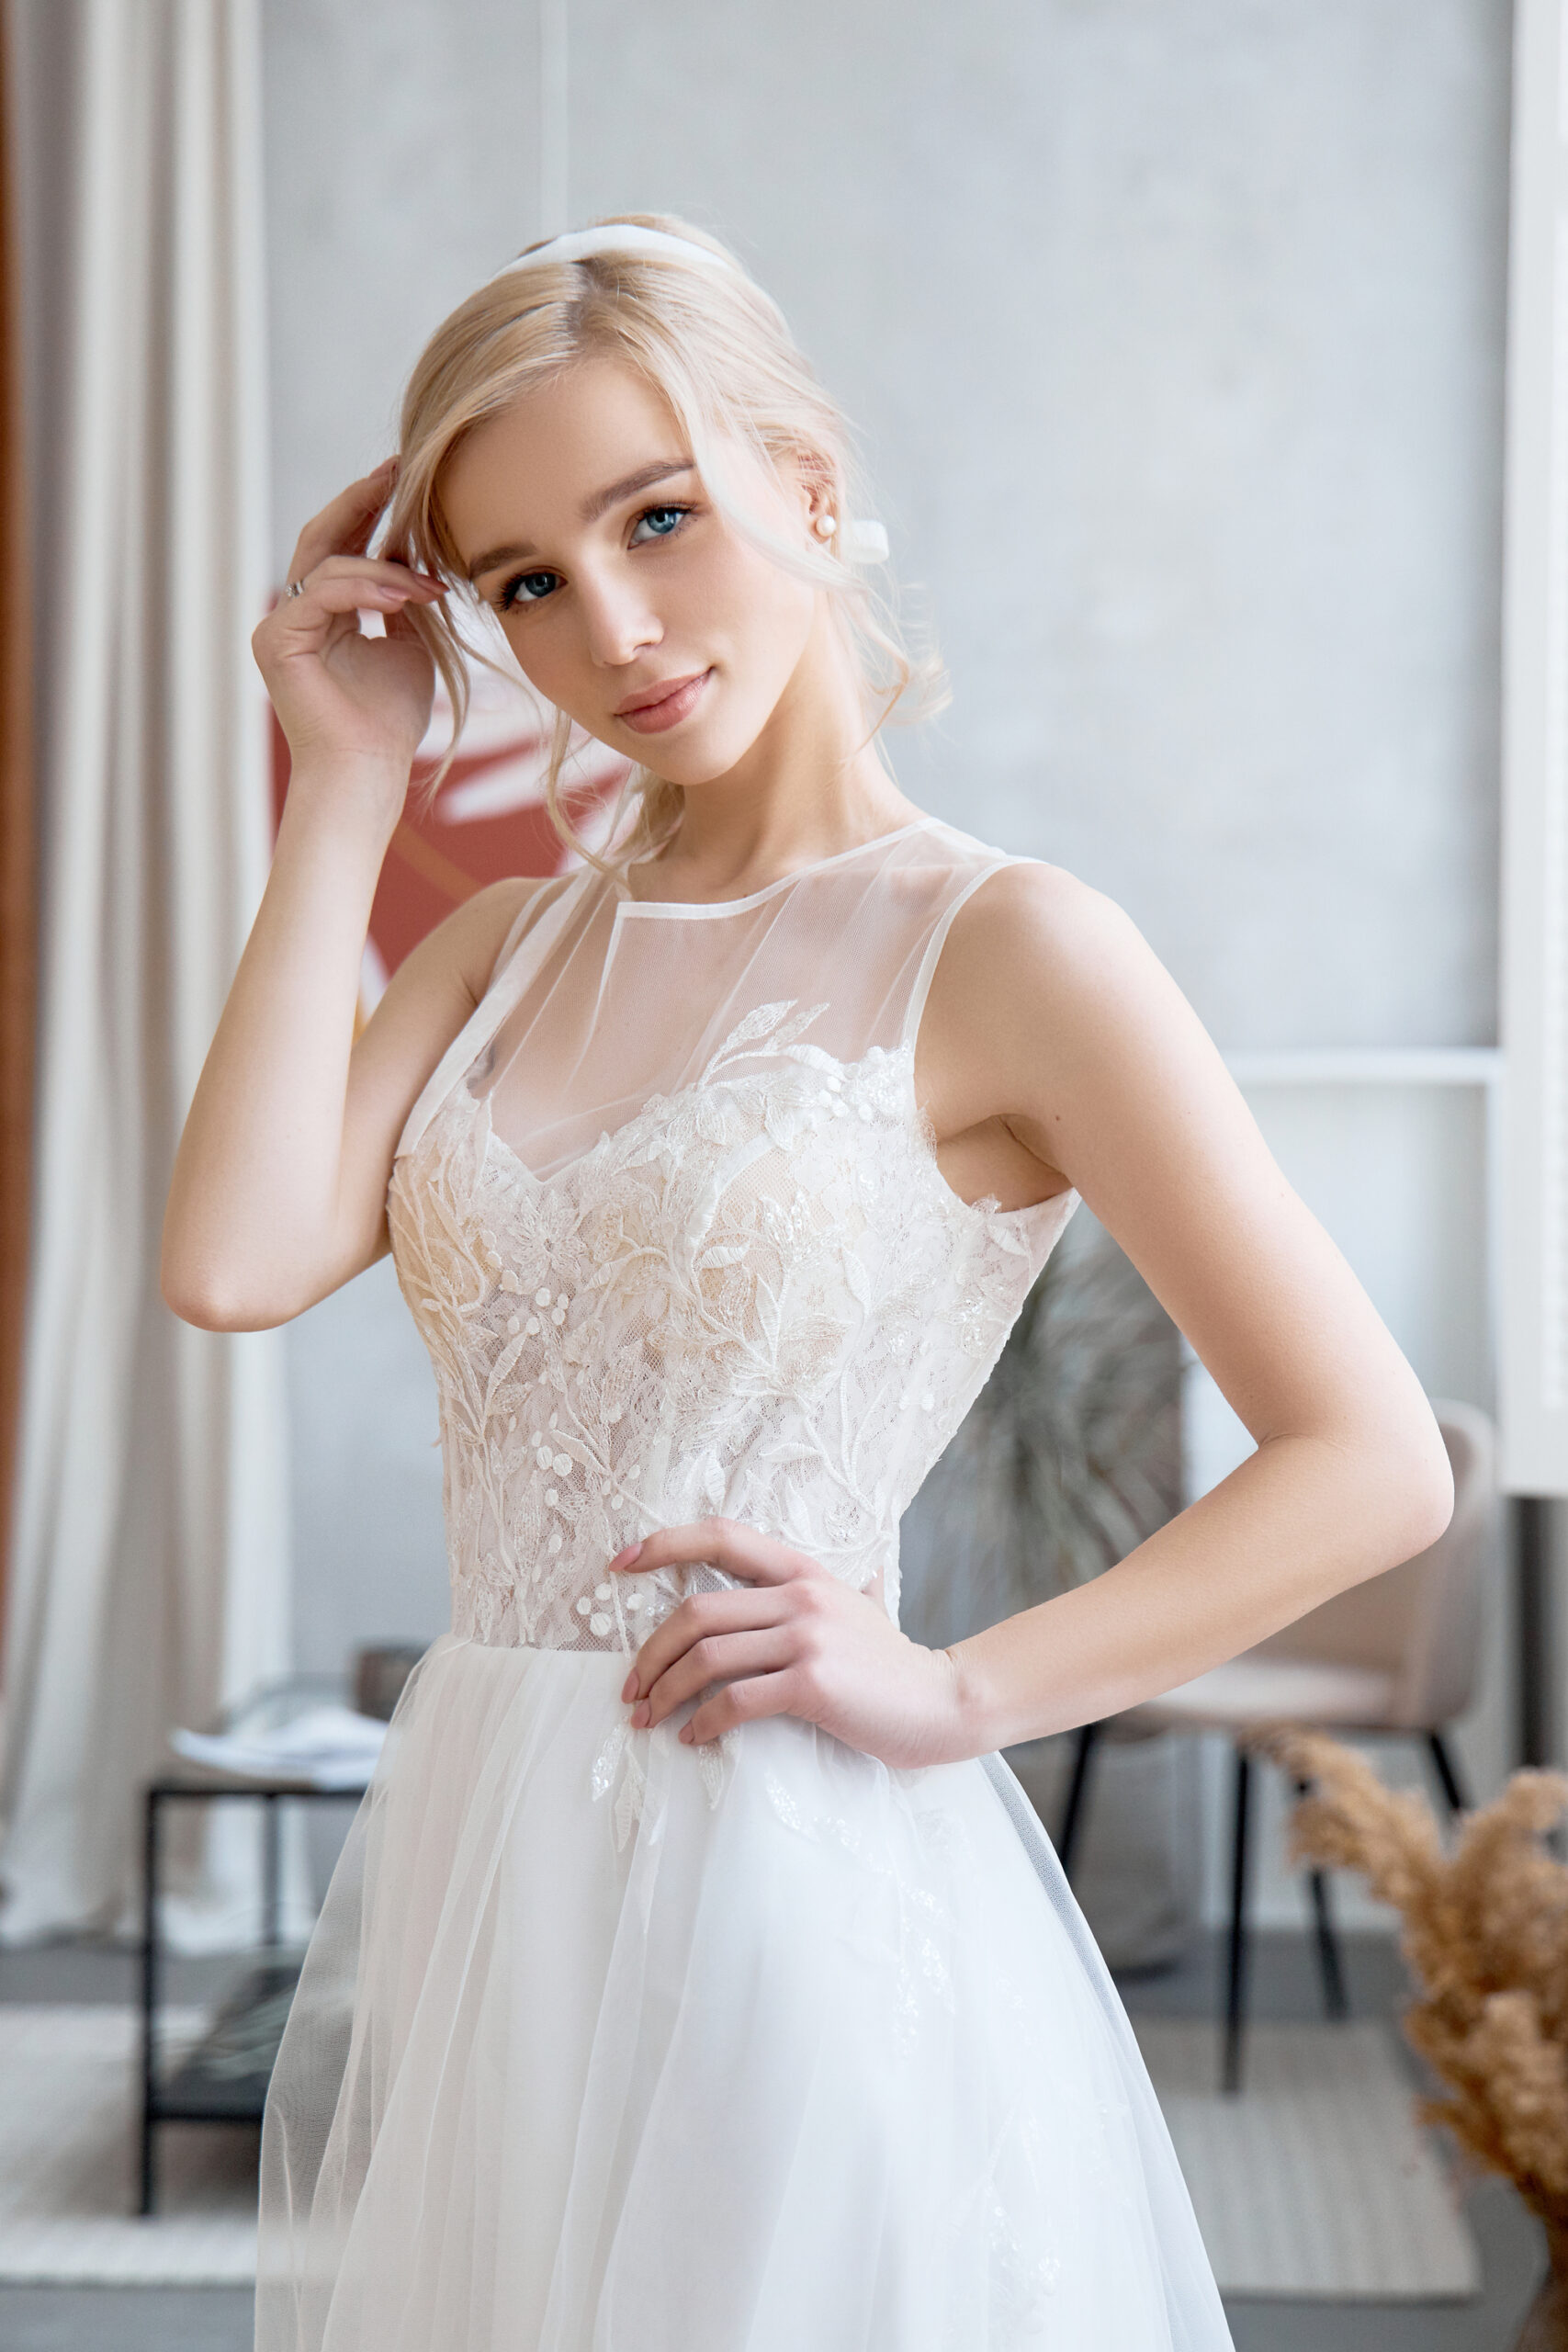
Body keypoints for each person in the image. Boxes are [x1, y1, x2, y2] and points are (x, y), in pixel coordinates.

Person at [163, 216, 1452, 2352]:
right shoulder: (498, 944)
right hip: (494, 1848)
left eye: (657, 517)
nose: (616, 626)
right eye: (525, 584)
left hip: (778, 1848)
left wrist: (955, 1692)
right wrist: (347, 783)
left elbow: (1369, 1462)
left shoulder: (1011, 944)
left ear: (808, 479)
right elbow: (225, 1259)